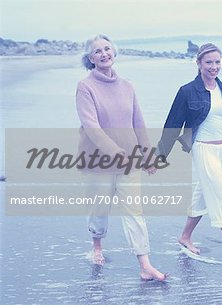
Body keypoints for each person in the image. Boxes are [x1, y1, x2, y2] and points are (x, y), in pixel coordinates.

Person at [157, 43, 222, 273]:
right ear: (198, 63)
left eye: (217, 62)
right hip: (203, 149)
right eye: (209, 62)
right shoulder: (187, 91)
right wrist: (160, 155)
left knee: (203, 196)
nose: (214, 67)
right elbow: (173, 124)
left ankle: (185, 236)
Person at [76, 34, 167, 281]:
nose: (104, 53)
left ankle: (145, 264)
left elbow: (138, 122)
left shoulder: (128, 86)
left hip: (130, 162)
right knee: (99, 209)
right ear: (90, 59)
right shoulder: (85, 87)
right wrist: (117, 153)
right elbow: (91, 126)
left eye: (107, 49)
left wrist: (147, 156)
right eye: (97, 51)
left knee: (134, 211)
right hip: (98, 161)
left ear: (114, 52)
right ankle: (97, 246)